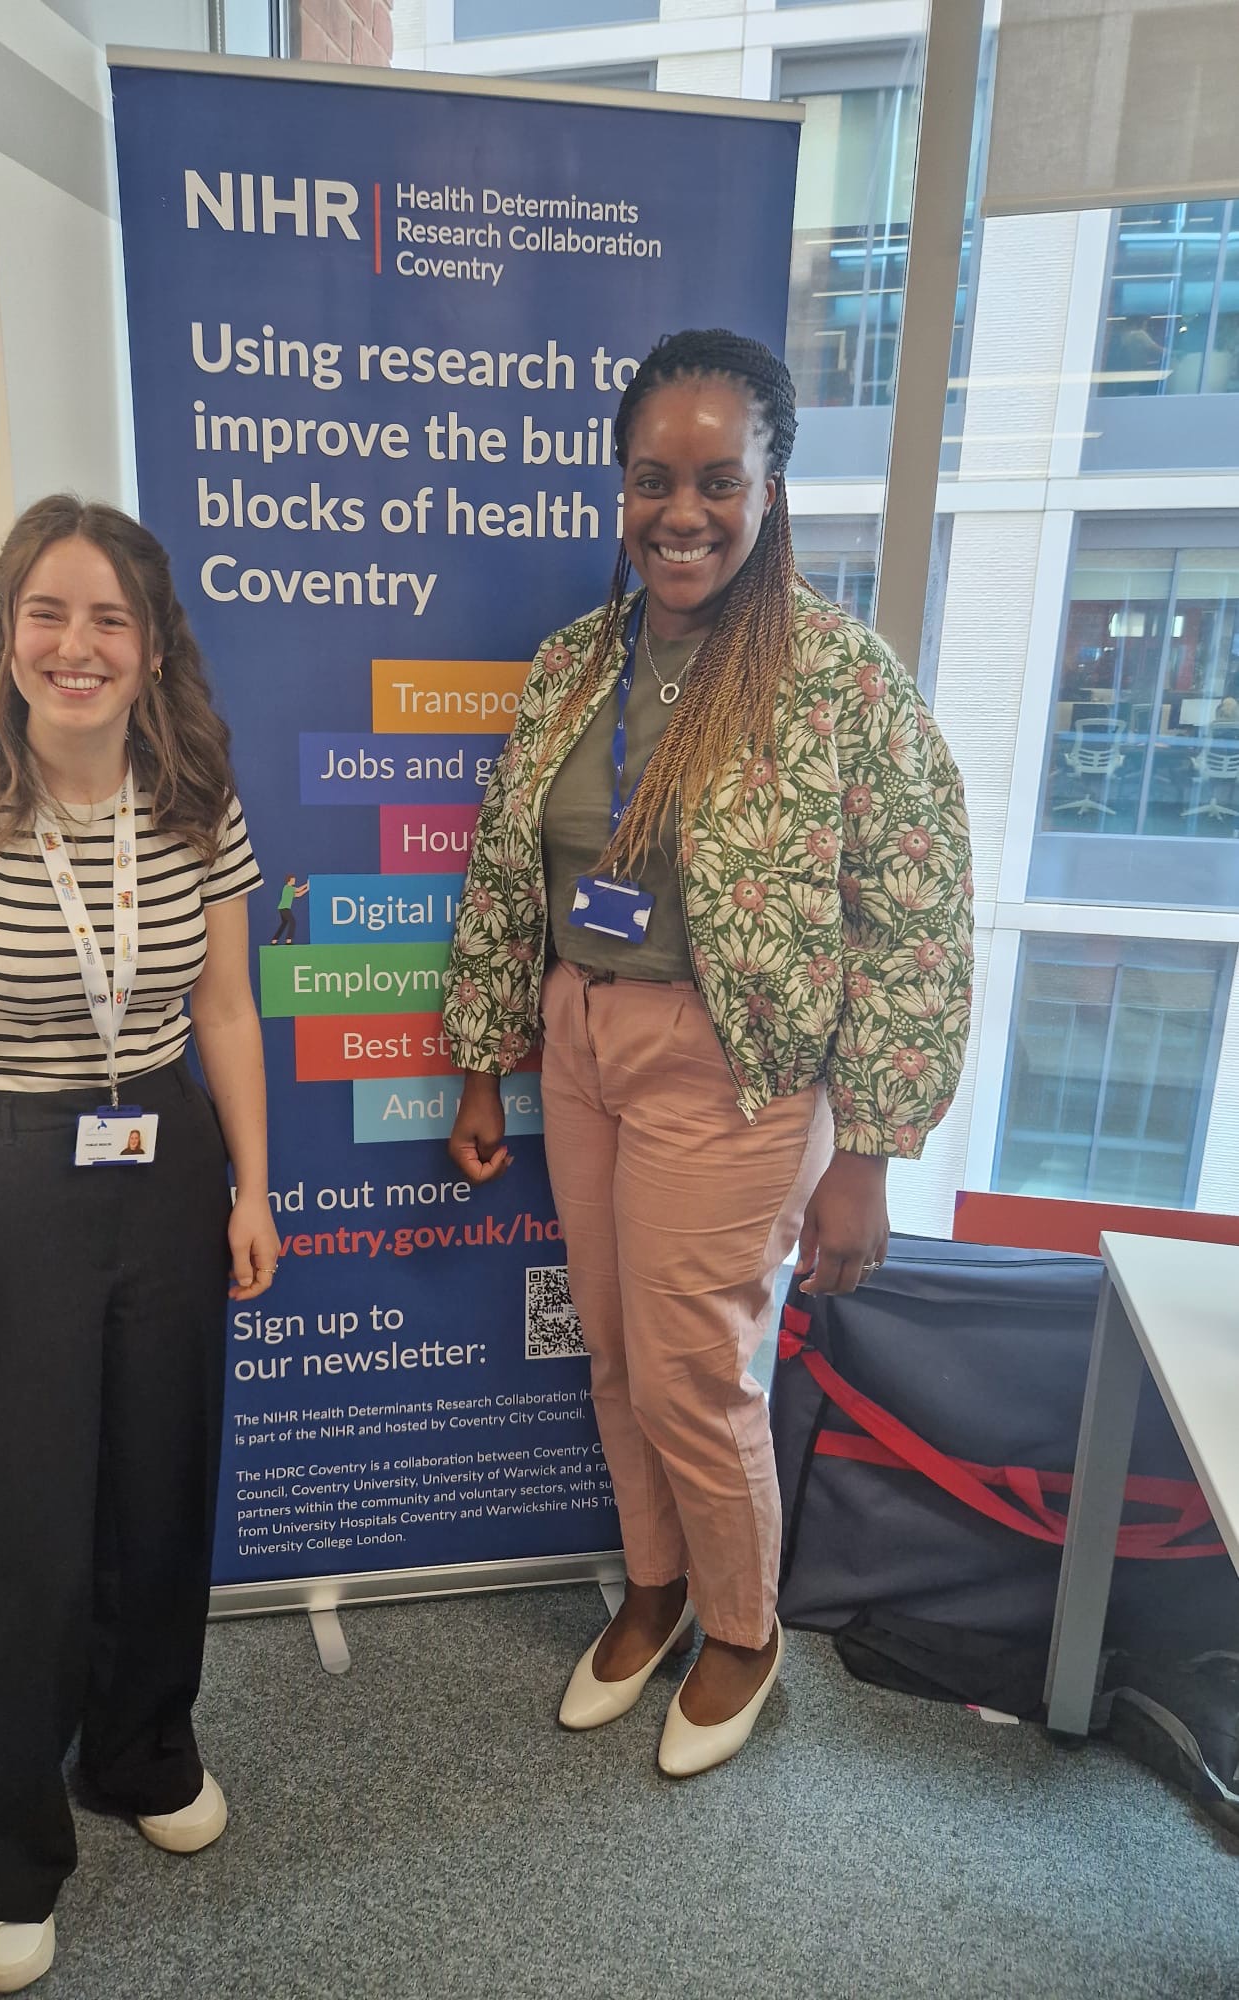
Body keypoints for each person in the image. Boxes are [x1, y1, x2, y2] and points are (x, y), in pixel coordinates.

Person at [442, 330, 973, 1779]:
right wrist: (485, 1058)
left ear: (772, 485)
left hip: (733, 1067)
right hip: (580, 1041)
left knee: (691, 1369)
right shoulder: (574, 666)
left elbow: (916, 916)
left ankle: (742, 1625)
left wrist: (870, 1151)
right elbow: (508, 870)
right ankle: (655, 1585)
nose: (682, 514)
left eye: (718, 481)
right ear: (621, 488)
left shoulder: (840, 682)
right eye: (653, 481)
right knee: (617, 1351)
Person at [0, 496, 280, 1991]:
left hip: (165, 1161)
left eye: (112, 616)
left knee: (161, 1485)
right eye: (47, 612)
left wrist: (253, 1186)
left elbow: (225, 1008)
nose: (78, 644)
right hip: (9, 1172)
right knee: (28, 1524)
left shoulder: (196, 799)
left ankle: (143, 1749)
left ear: (154, 645)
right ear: (5, 635)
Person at [269, 872, 309, 944]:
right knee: (292, 922)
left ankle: (274, 940)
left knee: (284, 923)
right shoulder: (287, 887)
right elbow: (299, 889)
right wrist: (307, 884)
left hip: (282, 908)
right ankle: (288, 940)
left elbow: (299, 894)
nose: (294, 881)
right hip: (285, 908)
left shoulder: (290, 890)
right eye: (293, 880)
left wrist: (308, 889)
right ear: (289, 881)